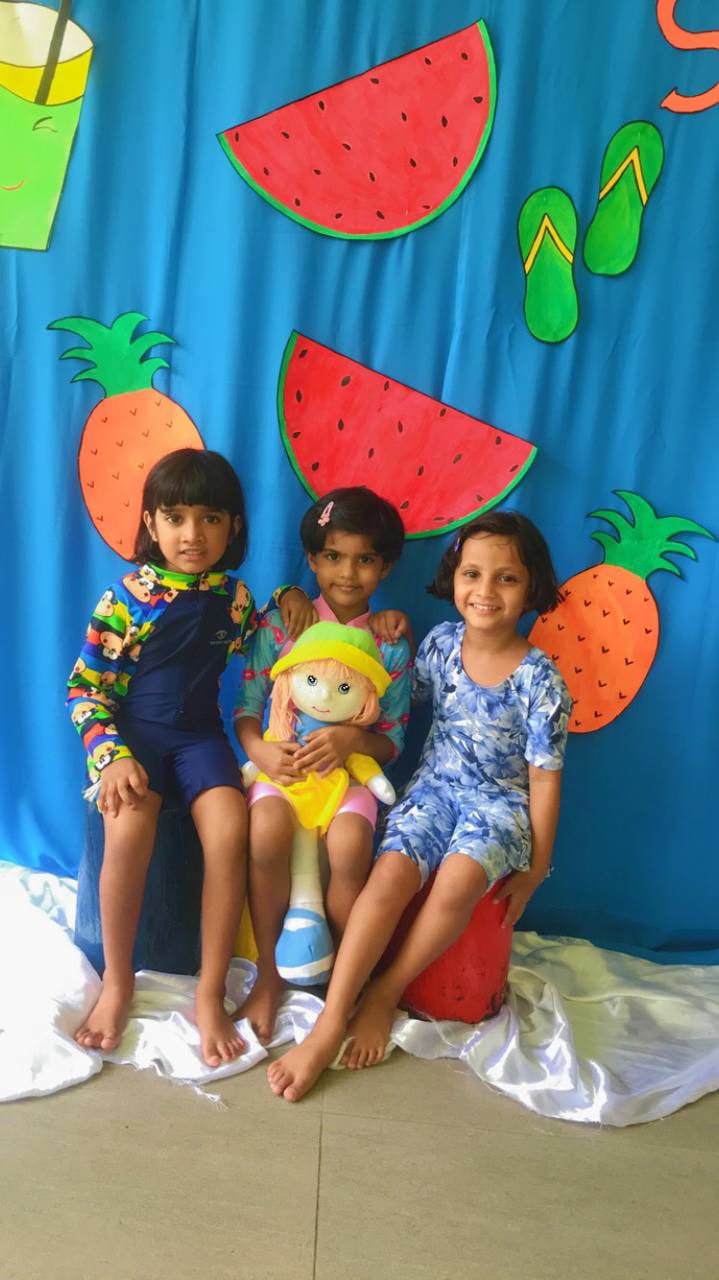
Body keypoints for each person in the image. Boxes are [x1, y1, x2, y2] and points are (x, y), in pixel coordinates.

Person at [267, 510, 572, 1101]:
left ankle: (384, 992)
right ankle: (332, 1018)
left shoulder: (541, 679)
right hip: (432, 789)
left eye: (506, 579)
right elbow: (389, 695)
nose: (485, 592)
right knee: (389, 878)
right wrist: (380, 634)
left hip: (499, 806)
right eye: (473, 574)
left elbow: (546, 778)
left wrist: (537, 868)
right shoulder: (437, 644)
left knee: (457, 881)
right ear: (453, 579)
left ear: (532, 588)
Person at [66, 448, 314, 1066]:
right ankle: (119, 980)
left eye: (209, 518)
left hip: (201, 741)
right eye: (174, 517)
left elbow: (261, 630)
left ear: (233, 526)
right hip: (134, 741)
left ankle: (208, 993)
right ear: (151, 524)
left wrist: (285, 596)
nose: (191, 534)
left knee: (230, 831)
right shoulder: (125, 596)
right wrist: (111, 756)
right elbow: (83, 688)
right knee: (127, 829)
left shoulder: (233, 599)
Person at [234, 487, 412, 1044]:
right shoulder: (283, 623)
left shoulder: (392, 645)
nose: (348, 573)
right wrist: (260, 752)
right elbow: (247, 711)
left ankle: (344, 979)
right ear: (312, 560)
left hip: (349, 782)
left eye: (364, 560)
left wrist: (350, 737)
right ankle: (267, 971)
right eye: (333, 556)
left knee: (351, 848)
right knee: (264, 837)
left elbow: (394, 741)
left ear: (384, 566)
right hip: (280, 773)